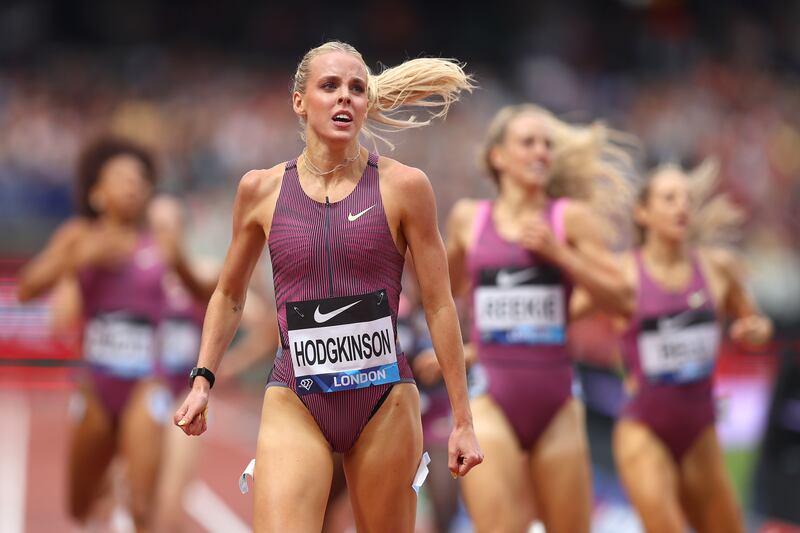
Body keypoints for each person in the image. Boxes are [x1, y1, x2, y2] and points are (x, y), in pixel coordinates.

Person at [174, 40, 483, 532]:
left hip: (384, 400)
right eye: (330, 86)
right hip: (296, 396)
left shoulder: (405, 187)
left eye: (357, 88)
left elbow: (441, 305)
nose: (345, 98)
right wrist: (202, 379)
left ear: (367, 104)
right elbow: (230, 294)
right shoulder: (261, 190)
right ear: (300, 101)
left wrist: (463, 420)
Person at [445, 103, 635, 532]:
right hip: (491, 400)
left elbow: (623, 297)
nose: (541, 152)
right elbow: (443, 296)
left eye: (548, 144)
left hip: (558, 403)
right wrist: (466, 348)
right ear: (499, 156)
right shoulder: (468, 221)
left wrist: (559, 253)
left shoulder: (568, 219)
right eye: (528, 142)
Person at [16, 136, 210, 532]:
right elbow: (26, 289)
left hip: (145, 384)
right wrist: (79, 258)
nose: (132, 185)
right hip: (96, 385)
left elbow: (206, 296)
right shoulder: (77, 235)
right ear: (98, 193)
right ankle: (102, 488)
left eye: (139, 179)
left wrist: (199, 272)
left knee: (142, 504)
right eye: (121, 178)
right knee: (79, 503)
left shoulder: (161, 242)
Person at [611, 160, 772, 533]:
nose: (681, 207)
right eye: (669, 198)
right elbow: (567, 313)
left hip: (701, 430)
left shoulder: (718, 267)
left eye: (687, 199)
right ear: (643, 212)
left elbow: (756, 320)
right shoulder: (621, 273)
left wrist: (754, 329)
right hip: (644, 428)